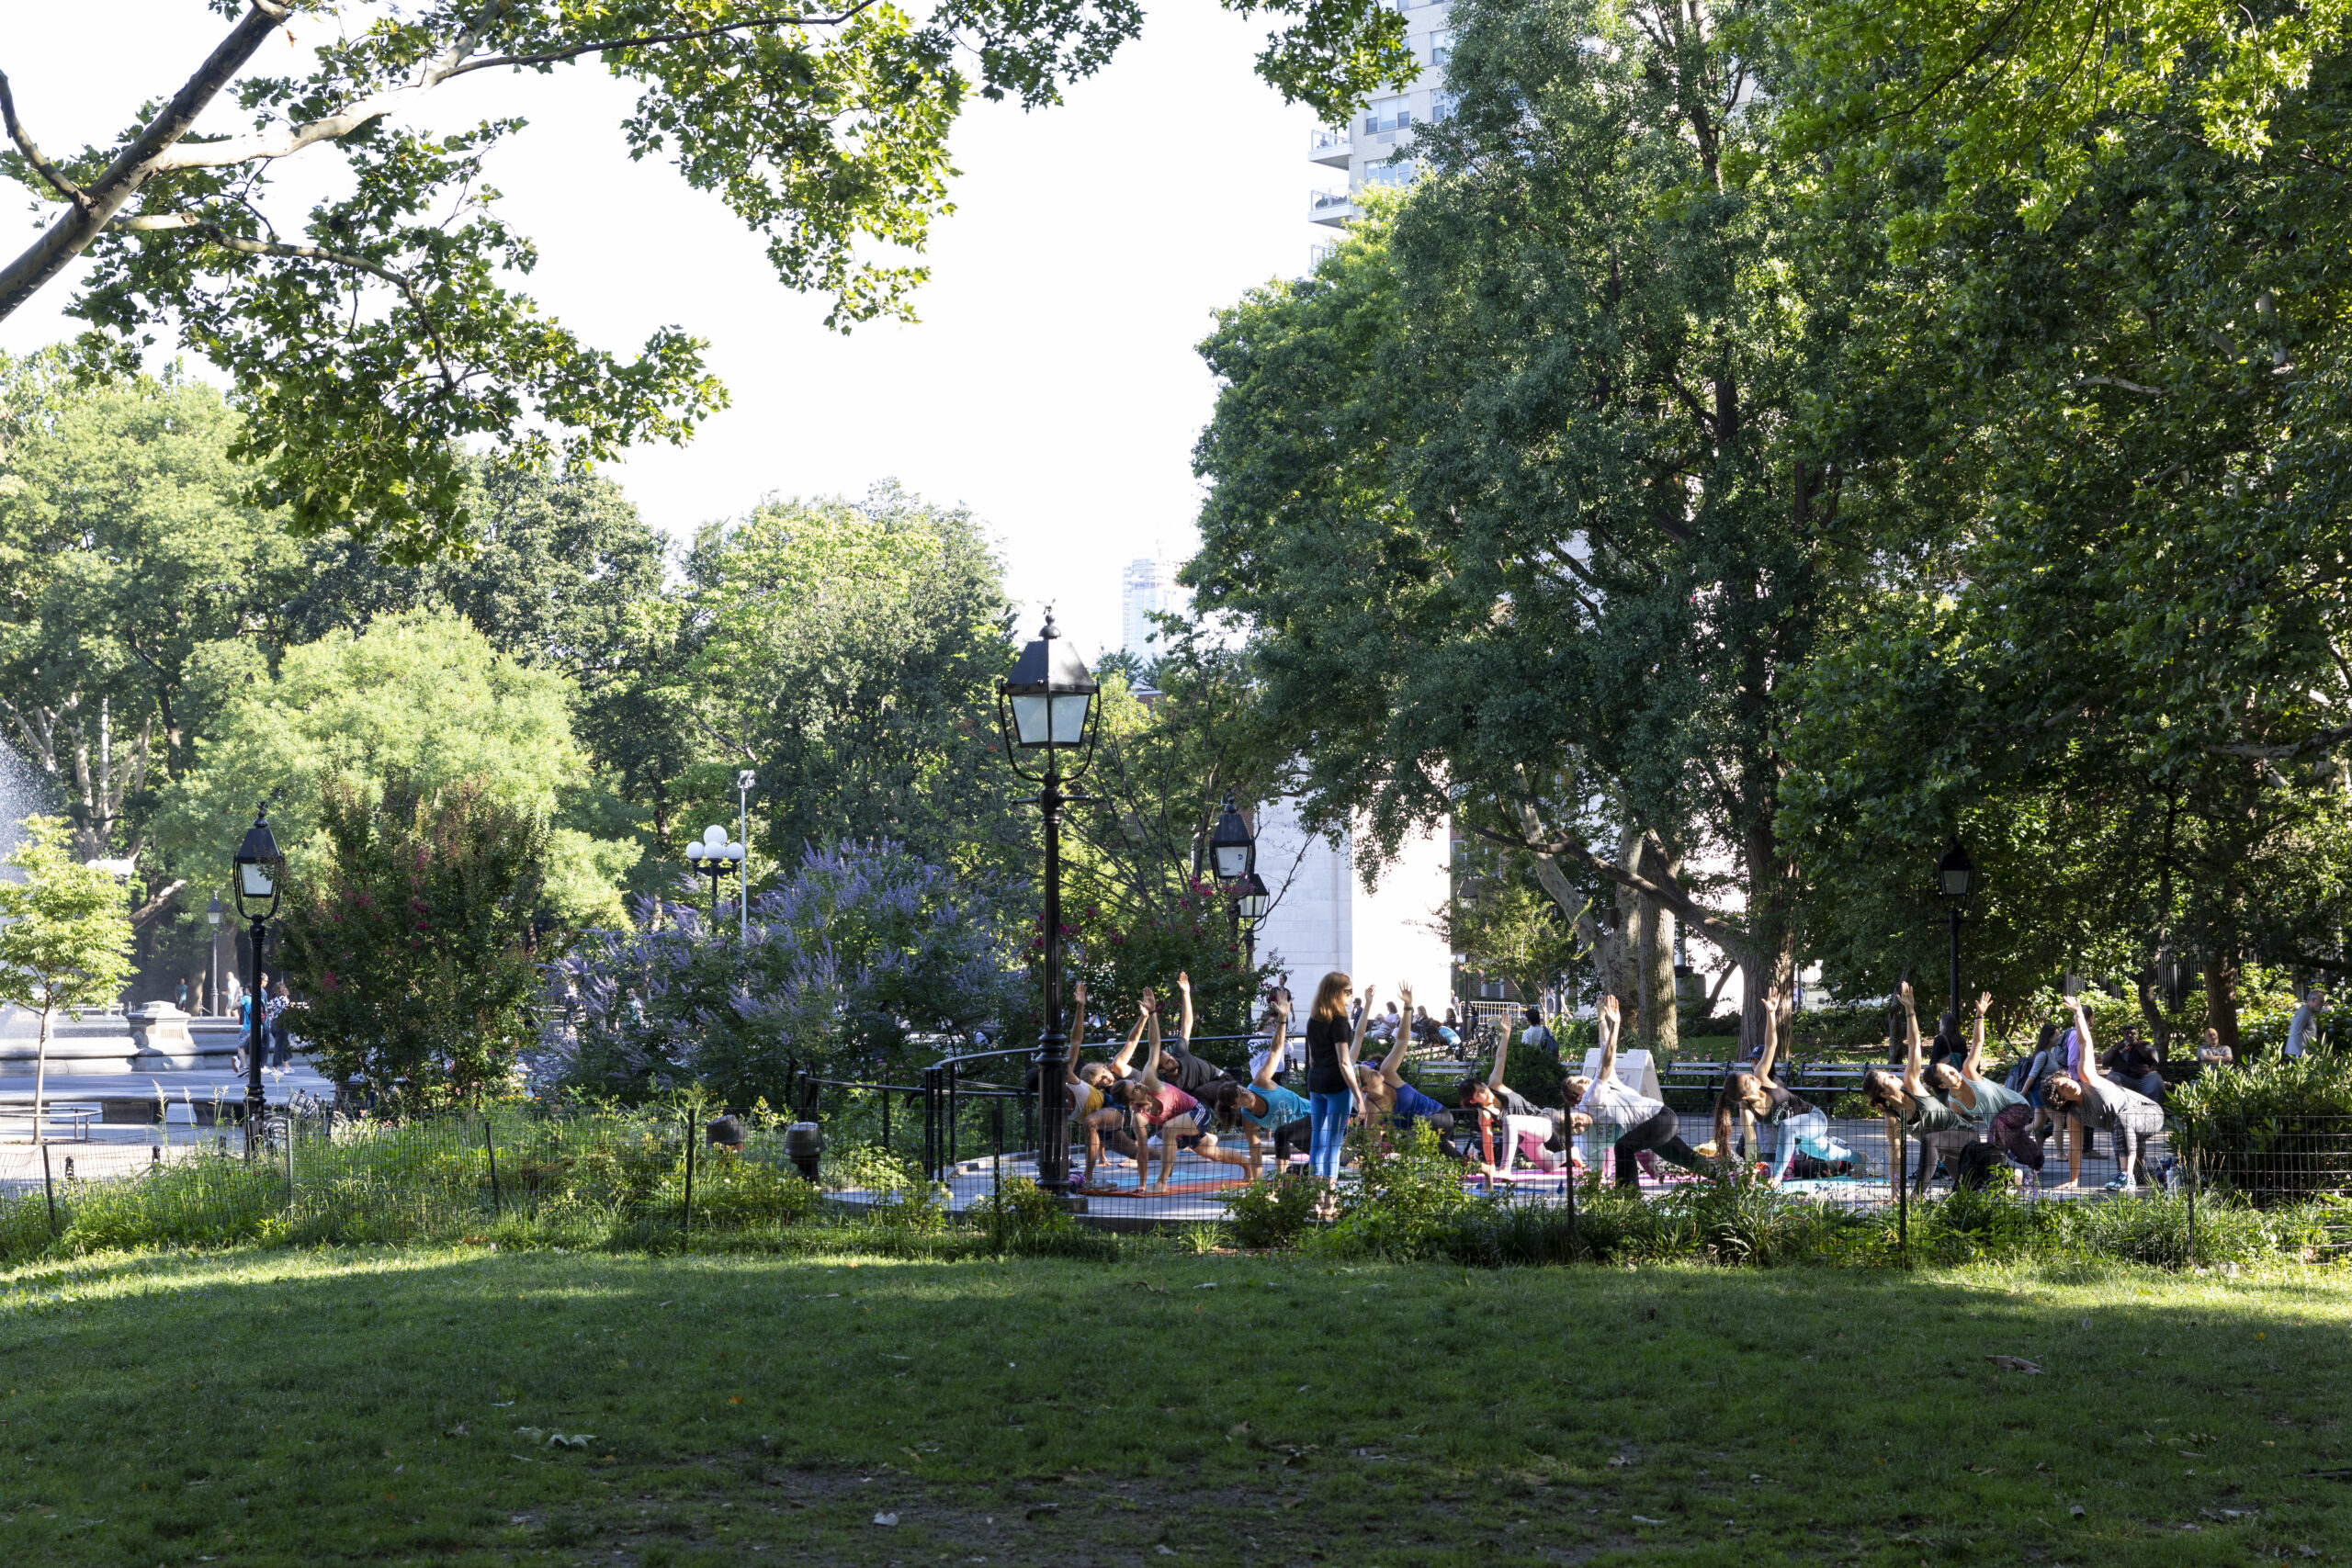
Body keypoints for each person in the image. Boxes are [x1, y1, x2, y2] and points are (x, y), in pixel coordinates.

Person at [1563, 995, 1711, 1188]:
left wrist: (1605, 1020)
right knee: (1687, 1159)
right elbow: (1596, 1172)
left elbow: (1606, 1051)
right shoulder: (1587, 1137)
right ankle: (1728, 1174)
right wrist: (1594, 1193)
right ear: (1577, 1099)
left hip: (1660, 1117)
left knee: (1623, 1146)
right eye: (1580, 1083)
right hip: (1649, 1128)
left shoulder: (1595, 1093)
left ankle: (1627, 1197)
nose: (1586, 1079)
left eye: (1581, 1077)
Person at [1711, 985, 1846, 1184]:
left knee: (1809, 1143)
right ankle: (1848, 1157)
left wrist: (1771, 1014)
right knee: (1824, 1154)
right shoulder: (1745, 1108)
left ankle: (1837, 1155)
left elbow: (1771, 1044)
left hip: (1804, 1127)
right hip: (1785, 1140)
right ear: (1745, 1096)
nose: (1753, 1073)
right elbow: (1750, 1143)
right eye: (1749, 1078)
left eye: (1751, 1071)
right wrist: (1750, 1172)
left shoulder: (1766, 1079)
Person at [1861, 981, 1977, 1195]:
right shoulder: (1892, 1119)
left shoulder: (1911, 1084)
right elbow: (1896, 1157)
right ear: (1885, 1094)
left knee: (1929, 1140)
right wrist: (1895, 1193)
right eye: (1887, 1078)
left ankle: (1916, 1198)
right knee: (1967, 1192)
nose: (1893, 1075)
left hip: (1966, 1136)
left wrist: (1910, 1010)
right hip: (1945, 1152)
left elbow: (1914, 1045)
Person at [2043, 997, 2165, 1191]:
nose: (2070, 1085)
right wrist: (2073, 1180)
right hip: (2127, 1132)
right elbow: (2075, 1148)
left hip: (2149, 1113)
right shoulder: (2074, 1115)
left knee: (2123, 1123)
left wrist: (2077, 1015)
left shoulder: (2087, 1077)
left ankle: (2126, 1176)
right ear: (2062, 1099)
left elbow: (2084, 1045)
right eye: (2064, 1089)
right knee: (2139, 1175)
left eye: (2066, 1081)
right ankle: (2150, 1173)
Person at [1926, 991, 2042, 1183]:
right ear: (1941, 1084)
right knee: (2015, 1142)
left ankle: (1999, 1178)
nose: (1951, 1071)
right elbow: (1958, 1129)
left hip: (2017, 1106)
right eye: (1946, 1073)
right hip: (1999, 1121)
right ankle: (2029, 1165)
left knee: (1994, 1139)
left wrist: (1979, 1016)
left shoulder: (1968, 1071)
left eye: (1949, 1068)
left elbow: (1978, 1043)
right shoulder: (1954, 1104)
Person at [1200, 989, 1313, 1180]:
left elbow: (1276, 1050)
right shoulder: (1249, 1119)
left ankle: (1279, 1181)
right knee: (1324, 1165)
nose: (1248, 1095)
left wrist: (1283, 1018)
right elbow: (1255, 1152)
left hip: (1316, 1116)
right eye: (1242, 1097)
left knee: (1282, 1134)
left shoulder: (1260, 1082)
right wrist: (1257, 1184)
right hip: (1302, 1137)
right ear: (1236, 1106)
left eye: (1244, 1090)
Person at [1458, 1012, 1564, 1173]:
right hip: (1526, 1139)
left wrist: (1506, 1033)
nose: (1485, 1091)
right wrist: (1491, 1167)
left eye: (1483, 1087)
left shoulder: (1494, 1084)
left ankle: (1505, 1169)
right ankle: (1572, 1154)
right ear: (1473, 1101)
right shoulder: (1484, 1114)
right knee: (1548, 1166)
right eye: (1479, 1093)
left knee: (1509, 1121)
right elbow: (1488, 1141)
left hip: (1543, 1123)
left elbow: (1500, 1059)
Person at [1303, 972, 1373, 1185]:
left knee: (1317, 1139)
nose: (1351, 996)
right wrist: (1359, 1097)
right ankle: (1329, 1201)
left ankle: (1315, 1197)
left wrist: (1368, 1004)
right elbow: (1344, 1062)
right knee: (1334, 1144)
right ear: (1338, 993)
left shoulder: (1313, 1020)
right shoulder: (1340, 1021)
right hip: (1336, 1086)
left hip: (1316, 1082)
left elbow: (1314, 1057)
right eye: (1348, 992)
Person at [2099, 1025, 2165, 1101]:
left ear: (2137, 1035)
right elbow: (2105, 1062)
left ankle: (2156, 1110)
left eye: (2132, 1034)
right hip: (2124, 1078)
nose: (2129, 1035)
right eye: (2126, 1034)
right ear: (2123, 1036)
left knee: (2156, 1081)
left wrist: (2137, 1045)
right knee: (2112, 1078)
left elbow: (2153, 1059)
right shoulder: (2117, 1046)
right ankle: (2118, 1110)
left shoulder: (2145, 1045)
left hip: (2144, 1077)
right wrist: (2114, 1049)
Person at [2286, 988, 2329, 1059]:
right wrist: (2302, 1055)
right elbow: (2294, 1033)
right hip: (2299, 1055)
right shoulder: (2304, 1013)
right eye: (2321, 1001)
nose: (2322, 1004)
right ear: (2313, 1000)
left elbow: (2293, 1027)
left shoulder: (2308, 1012)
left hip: (2303, 1054)